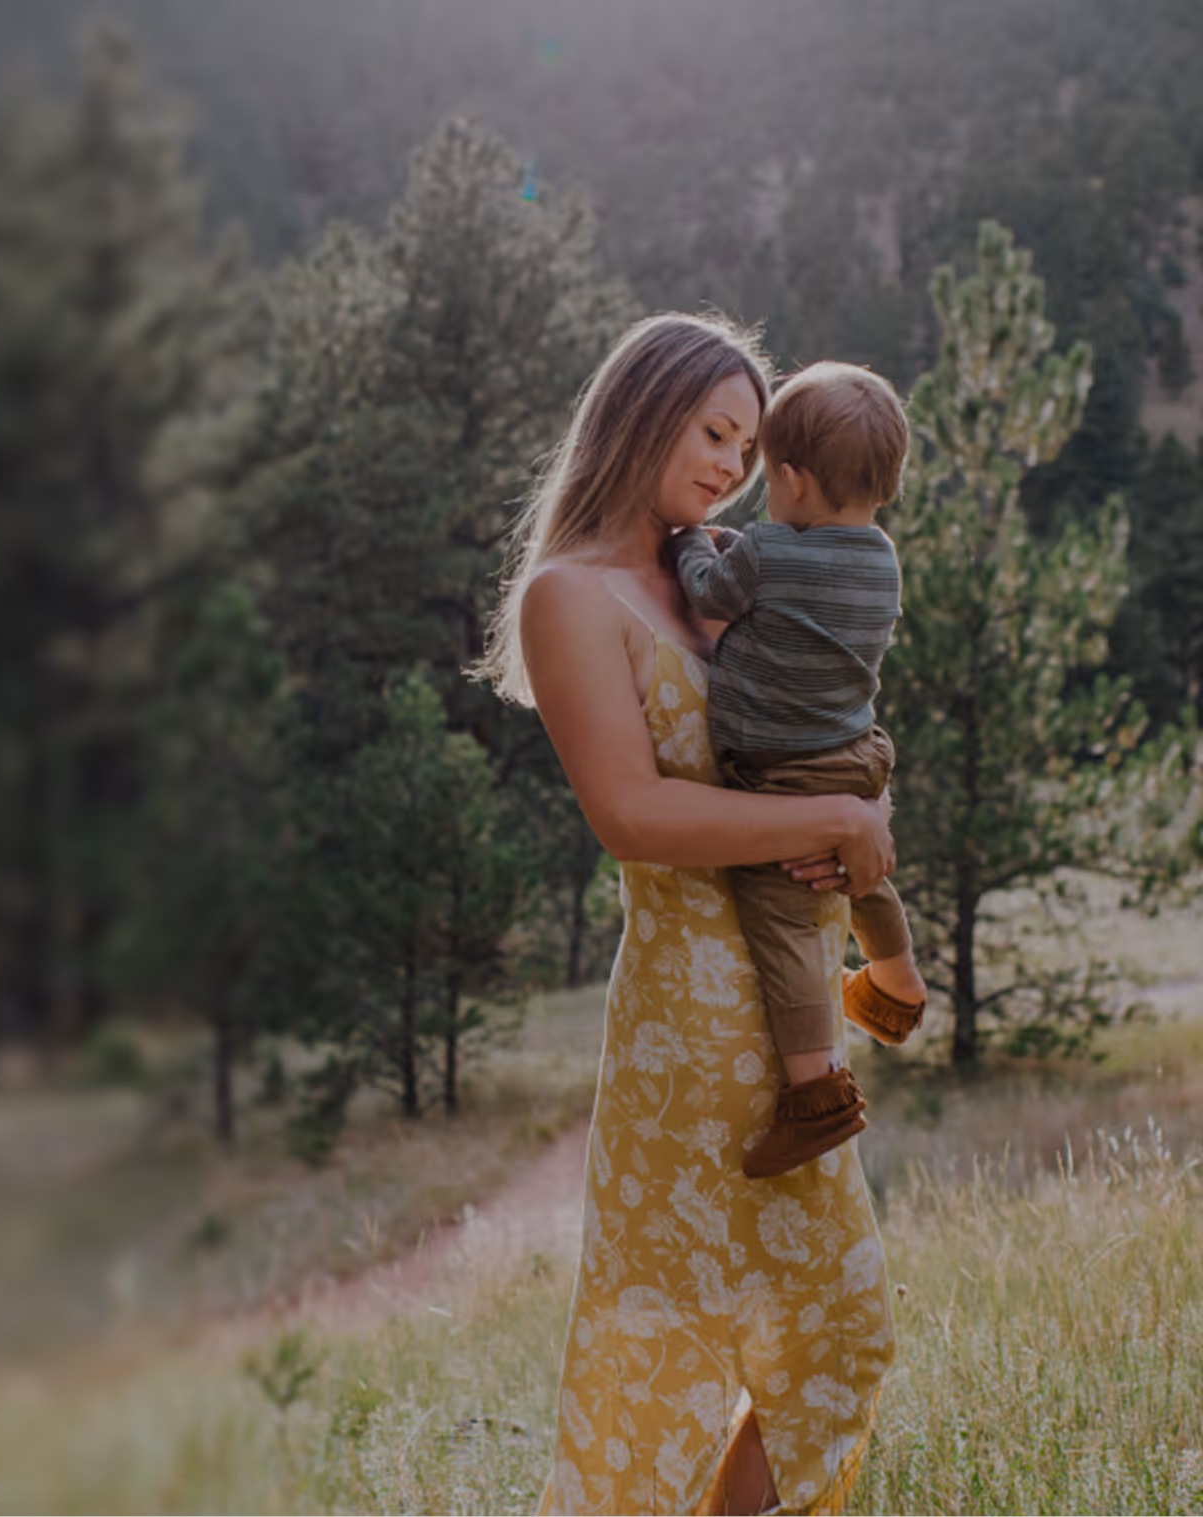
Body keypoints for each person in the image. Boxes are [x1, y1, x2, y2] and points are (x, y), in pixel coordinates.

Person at [475, 313, 897, 1516]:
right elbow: (634, 814)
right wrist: (822, 828)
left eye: (750, 446)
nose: (731, 463)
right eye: (713, 431)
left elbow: (792, 736)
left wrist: (847, 814)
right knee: (660, 1359)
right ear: (641, 408)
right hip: (685, 1025)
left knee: (839, 1333)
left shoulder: (712, 565)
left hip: (783, 1002)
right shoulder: (572, 594)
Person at [666, 361, 930, 1180]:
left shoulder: (770, 550)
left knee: (779, 913)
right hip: (858, 755)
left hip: (782, 769)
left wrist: (686, 546)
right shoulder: (883, 560)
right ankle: (897, 988)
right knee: (866, 879)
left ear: (790, 479)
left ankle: (815, 1096)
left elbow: (712, 595)